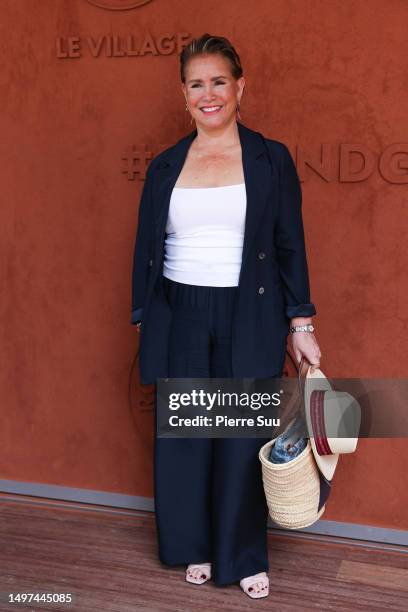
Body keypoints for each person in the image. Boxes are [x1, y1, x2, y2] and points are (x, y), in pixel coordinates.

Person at [130, 33, 321, 599]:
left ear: (240, 86)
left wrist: (302, 323)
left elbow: (290, 244)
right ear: (183, 93)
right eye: (196, 84)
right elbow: (146, 244)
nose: (208, 94)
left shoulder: (270, 158)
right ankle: (192, 545)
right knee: (188, 436)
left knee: (241, 436)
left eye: (219, 81)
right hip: (180, 309)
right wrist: (146, 315)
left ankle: (242, 555)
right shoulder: (166, 165)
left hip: (251, 310)